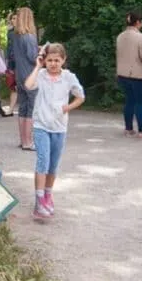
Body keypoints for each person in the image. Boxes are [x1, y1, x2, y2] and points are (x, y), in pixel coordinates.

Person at [24, 43, 85, 219]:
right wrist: (37, 66)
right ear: (45, 60)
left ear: (63, 60)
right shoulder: (41, 75)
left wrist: (68, 107)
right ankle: (39, 200)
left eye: (57, 60)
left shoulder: (68, 77)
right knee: (43, 161)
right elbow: (28, 85)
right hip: (41, 125)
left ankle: (48, 195)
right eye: (49, 60)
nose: (53, 64)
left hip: (59, 127)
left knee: (53, 164)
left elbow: (80, 96)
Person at [116, 11, 142, 138]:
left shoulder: (120, 36)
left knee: (129, 101)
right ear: (138, 22)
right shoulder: (140, 37)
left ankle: (128, 128)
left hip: (122, 74)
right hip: (138, 74)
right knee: (141, 103)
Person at [8, 7, 40, 150]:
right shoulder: (29, 37)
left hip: (19, 75)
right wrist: (43, 52)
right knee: (31, 109)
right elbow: (33, 58)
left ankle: (23, 141)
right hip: (30, 76)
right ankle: (28, 142)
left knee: (23, 108)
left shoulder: (15, 36)